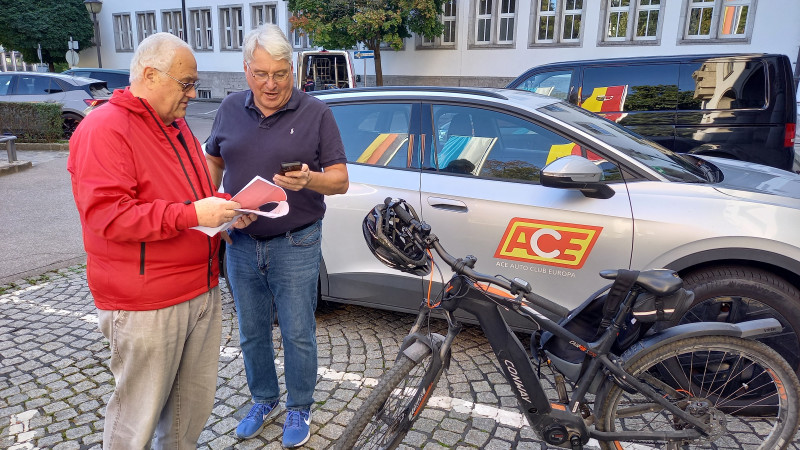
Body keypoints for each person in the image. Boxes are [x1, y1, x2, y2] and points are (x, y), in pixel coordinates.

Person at [67, 32, 255, 449]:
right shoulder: (104, 129)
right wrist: (194, 215)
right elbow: (107, 215)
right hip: (146, 301)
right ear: (150, 75)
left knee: (190, 413)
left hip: (199, 289)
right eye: (186, 83)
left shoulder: (176, 124)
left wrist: (226, 210)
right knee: (137, 418)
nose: (193, 93)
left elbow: (193, 194)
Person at [205, 24, 349, 447]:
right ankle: (264, 399)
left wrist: (310, 180)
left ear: (294, 70)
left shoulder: (316, 112)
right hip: (241, 243)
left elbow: (340, 181)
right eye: (262, 73)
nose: (271, 84)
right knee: (250, 330)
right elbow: (212, 161)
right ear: (246, 70)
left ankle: (299, 406)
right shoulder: (229, 108)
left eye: (281, 74)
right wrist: (217, 205)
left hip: (296, 242)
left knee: (297, 330)